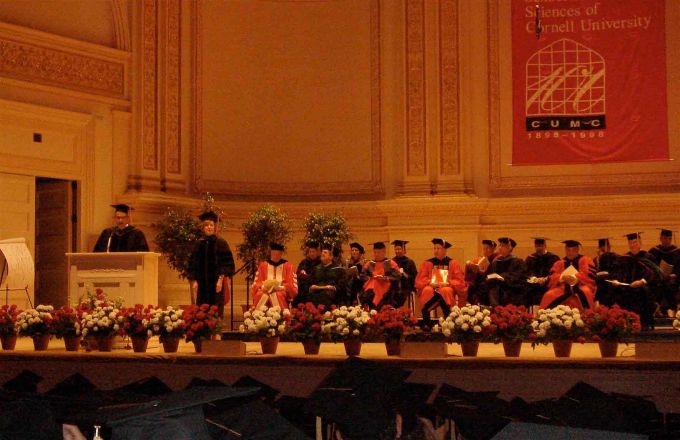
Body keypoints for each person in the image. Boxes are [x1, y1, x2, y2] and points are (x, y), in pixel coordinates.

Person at [607, 232, 662, 330]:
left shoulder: (648, 257)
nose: (633, 245)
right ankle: (623, 323)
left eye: (635, 242)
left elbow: (654, 273)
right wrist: (616, 281)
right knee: (614, 292)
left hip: (643, 287)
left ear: (640, 242)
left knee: (642, 291)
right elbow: (617, 273)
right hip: (627, 286)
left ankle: (644, 323)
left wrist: (642, 281)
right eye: (631, 243)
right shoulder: (624, 258)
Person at [187, 211, 235, 315]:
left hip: (216, 283)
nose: (209, 227)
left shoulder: (221, 243)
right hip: (202, 284)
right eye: (207, 225)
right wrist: (194, 280)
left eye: (211, 225)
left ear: (214, 227)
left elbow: (227, 263)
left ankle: (215, 331)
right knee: (202, 311)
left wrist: (220, 280)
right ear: (203, 228)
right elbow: (193, 263)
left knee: (216, 310)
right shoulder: (198, 244)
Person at [415, 238, 467, 327]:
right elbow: (420, 279)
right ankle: (426, 322)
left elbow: (459, 280)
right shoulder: (428, 263)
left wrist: (448, 283)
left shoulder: (453, 263)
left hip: (446, 287)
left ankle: (448, 322)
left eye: (438, 248)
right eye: (434, 248)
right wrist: (429, 282)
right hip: (432, 287)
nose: (436, 251)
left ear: (445, 250)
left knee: (446, 290)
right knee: (427, 290)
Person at [539, 240, 596, 311]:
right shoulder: (560, 263)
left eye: (573, 250)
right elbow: (552, 275)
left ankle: (587, 316)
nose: (570, 253)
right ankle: (547, 318)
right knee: (548, 295)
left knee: (586, 292)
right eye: (568, 250)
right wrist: (562, 277)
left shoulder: (585, 260)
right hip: (563, 287)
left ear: (577, 250)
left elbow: (588, 273)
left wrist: (576, 277)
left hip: (581, 285)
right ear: (565, 250)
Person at [252, 243, 298, 309]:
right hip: (265, 290)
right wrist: (263, 287)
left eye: (278, 254)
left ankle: (281, 317)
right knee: (260, 294)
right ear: (271, 254)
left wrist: (279, 288)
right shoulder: (263, 265)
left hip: (280, 290)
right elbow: (257, 283)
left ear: (281, 254)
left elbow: (291, 285)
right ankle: (259, 317)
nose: (275, 256)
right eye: (274, 254)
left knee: (277, 295)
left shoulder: (288, 266)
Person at [485, 237, 528, 306]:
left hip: (511, 289)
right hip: (496, 289)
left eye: (503, 246)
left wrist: (502, 277)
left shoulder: (517, 262)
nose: (500, 248)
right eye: (500, 245)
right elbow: (488, 275)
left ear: (510, 248)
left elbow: (519, 277)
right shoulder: (495, 262)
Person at [359, 242, 401, 310]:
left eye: (378, 252)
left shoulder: (390, 263)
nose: (376, 254)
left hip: (386, 288)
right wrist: (371, 278)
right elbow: (362, 276)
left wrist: (386, 278)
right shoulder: (369, 264)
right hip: (371, 289)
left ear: (384, 252)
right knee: (369, 290)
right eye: (375, 252)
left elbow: (397, 276)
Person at [648, 229, 679, 316]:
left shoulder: (677, 251)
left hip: (673, 280)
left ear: (671, 239)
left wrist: (676, 274)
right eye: (664, 238)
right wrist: (657, 274)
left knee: (670, 285)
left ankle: (671, 309)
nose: (666, 240)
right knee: (657, 285)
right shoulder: (653, 251)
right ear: (660, 238)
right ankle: (657, 310)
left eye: (668, 238)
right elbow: (649, 266)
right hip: (658, 279)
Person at [525, 238, 560, 306]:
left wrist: (546, 278)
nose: (539, 248)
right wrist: (534, 278)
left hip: (549, 285)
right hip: (534, 287)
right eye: (537, 246)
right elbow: (526, 272)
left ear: (545, 246)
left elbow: (556, 272)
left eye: (541, 246)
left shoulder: (553, 258)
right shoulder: (530, 258)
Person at [465, 239, 499, 305]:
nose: (486, 250)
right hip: (480, 282)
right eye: (484, 248)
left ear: (494, 249)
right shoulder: (480, 259)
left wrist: (485, 272)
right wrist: (472, 267)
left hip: (492, 283)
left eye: (488, 248)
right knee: (471, 288)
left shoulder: (497, 259)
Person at [391, 240, 418, 308]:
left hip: (406, 286)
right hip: (394, 286)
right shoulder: (392, 261)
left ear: (404, 249)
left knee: (401, 295)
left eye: (399, 249)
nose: (397, 251)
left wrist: (406, 275)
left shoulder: (410, 262)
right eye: (396, 249)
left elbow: (415, 277)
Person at [593, 238, 618, 307]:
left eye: (606, 247)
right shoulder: (596, 259)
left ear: (609, 247)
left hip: (611, 282)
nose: (604, 249)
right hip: (599, 284)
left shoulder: (614, 257)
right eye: (602, 248)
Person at [295, 242, 321, 307]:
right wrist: (301, 272)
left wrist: (308, 277)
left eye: (313, 252)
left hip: (314, 284)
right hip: (302, 284)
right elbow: (297, 273)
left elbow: (318, 276)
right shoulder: (304, 262)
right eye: (310, 252)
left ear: (317, 252)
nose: (312, 254)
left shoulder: (320, 262)